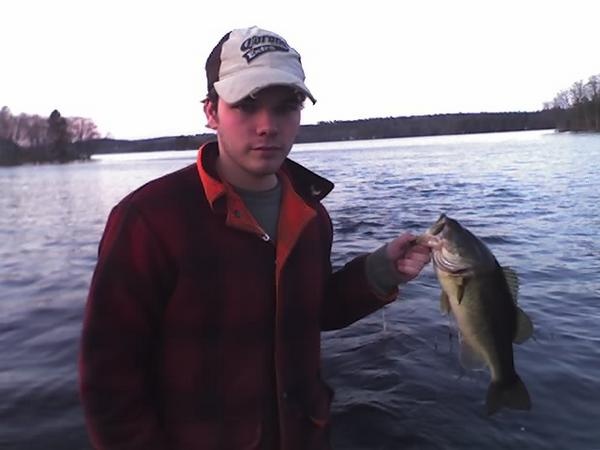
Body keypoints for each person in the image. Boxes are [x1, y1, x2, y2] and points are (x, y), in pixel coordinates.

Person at [79, 26, 431, 450]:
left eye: (286, 106)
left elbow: (312, 313)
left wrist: (378, 270)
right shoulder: (149, 220)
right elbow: (109, 379)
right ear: (211, 111)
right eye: (247, 104)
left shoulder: (310, 214)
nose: (268, 125)